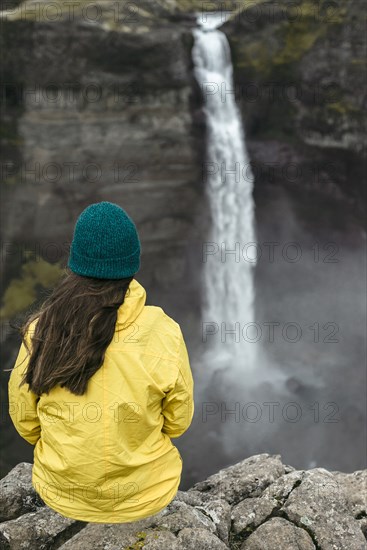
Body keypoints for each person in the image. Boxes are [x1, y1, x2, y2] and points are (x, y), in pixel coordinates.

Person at [8, 201, 194, 523]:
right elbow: (178, 421)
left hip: (61, 492)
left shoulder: (41, 329)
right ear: (131, 263)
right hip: (146, 495)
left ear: (76, 263)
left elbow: (25, 419)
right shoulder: (164, 331)